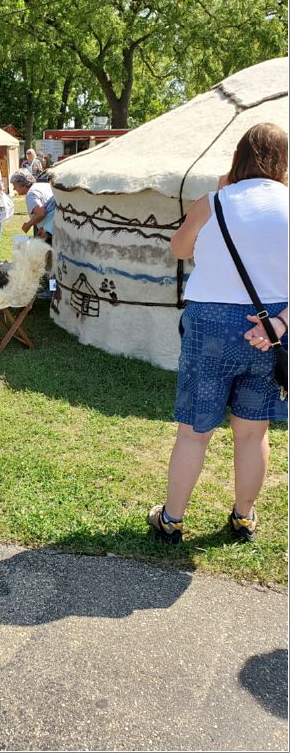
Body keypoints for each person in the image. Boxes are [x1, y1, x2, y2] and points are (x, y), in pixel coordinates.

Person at [148, 122, 288, 545]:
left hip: (210, 325)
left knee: (194, 432)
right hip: (271, 327)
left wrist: (218, 195)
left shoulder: (211, 203)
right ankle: (243, 517)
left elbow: (179, 249)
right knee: (252, 432)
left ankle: (171, 520)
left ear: (238, 158)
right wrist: (280, 324)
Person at [10, 167, 55, 244]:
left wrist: (28, 225)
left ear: (22, 185)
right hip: (55, 226)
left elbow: (41, 213)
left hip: (50, 231)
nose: (14, 188)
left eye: (15, 185)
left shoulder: (31, 194)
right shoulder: (42, 185)